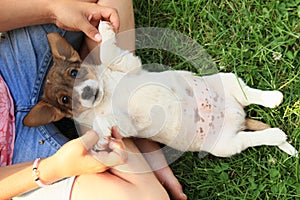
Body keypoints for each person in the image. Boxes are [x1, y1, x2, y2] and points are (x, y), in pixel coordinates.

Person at [0, 0, 187, 199]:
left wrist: (51, 10)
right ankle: (116, 113)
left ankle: (120, 111)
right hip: (14, 163)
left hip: (9, 72)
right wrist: (53, 168)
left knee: (106, 12)